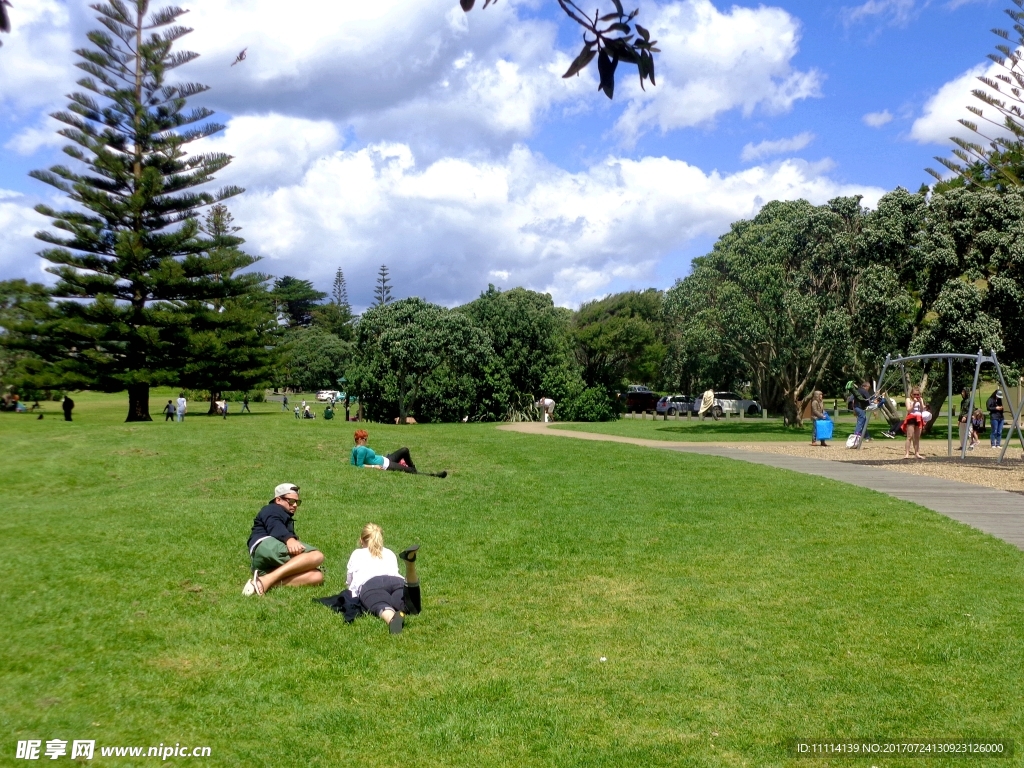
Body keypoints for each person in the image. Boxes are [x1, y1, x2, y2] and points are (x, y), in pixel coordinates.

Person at [243, 483, 324, 596]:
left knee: (316, 576)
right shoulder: (272, 509)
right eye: (291, 501)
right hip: (264, 545)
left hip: (266, 563)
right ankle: (266, 580)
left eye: (297, 502)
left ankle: (264, 582)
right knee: (317, 556)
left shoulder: (284, 515)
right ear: (278, 500)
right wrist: (289, 539)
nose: (295, 505)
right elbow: (274, 524)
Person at [340, 523, 421, 634]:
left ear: (361, 540)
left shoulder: (357, 553)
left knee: (382, 605)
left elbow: (350, 583)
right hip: (397, 581)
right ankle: (410, 565)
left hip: (371, 584)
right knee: (409, 606)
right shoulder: (389, 553)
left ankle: (391, 618)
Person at [350, 429, 446, 477]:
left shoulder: (355, 449)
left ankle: (413, 468)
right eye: (365, 439)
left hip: (386, 459)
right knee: (411, 472)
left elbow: (352, 464)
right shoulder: (361, 449)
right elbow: (358, 465)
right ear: (359, 439)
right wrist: (373, 467)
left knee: (405, 450)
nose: (367, 440)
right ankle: (434, 475)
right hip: (385, 465)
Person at [901, 387, 926, 460]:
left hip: (919, 417)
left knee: (917, 437)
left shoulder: (920, 399)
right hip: (911, 417)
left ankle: (917, 453)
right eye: (915, 394)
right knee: (909, 436)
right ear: (911, 394)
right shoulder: (908, 400)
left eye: (918, 394)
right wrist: (914, 403)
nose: (916, 396)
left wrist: (921, 402)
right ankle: (907, 453)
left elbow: (922, 410)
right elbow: (908, 410)